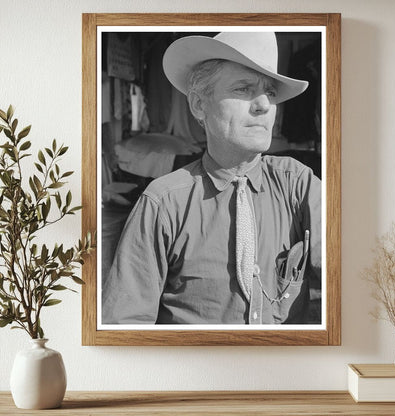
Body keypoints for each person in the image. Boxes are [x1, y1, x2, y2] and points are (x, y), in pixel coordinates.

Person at [102, 32, 321, 325]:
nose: (264, 105)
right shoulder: (164, 203)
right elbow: (125, 327)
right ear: (198, 105)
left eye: (270, 91)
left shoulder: (299, 184)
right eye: (244, 89)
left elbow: (354, 277)